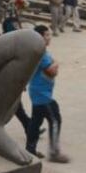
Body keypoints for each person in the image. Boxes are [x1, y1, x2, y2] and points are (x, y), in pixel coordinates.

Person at [26, 25, 69, 163]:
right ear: (40, 37)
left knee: (36, 121)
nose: (49, 37)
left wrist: (54, 64)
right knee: (55, 119)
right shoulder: (41, 53)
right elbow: (52, 71)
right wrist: (56, 63)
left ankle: (30, 149)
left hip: (38, 91)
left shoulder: (39, 51)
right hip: (42, 94)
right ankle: (54, 153)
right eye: (47, 35)